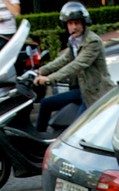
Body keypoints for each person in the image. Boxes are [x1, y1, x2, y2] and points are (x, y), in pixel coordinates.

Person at [33, 2, 109, 133]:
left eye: (77, 23)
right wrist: (40, 71)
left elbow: (77, 65)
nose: (74, 27)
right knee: (46, 104)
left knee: (75, 129)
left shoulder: (92, 41)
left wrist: (49, 79)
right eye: (70, 23)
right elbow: (64, 60)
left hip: (94, 92)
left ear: (84, 23)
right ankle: (39, 139)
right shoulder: (73, 41)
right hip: (81, 90)